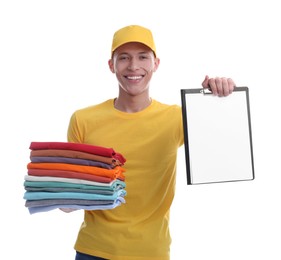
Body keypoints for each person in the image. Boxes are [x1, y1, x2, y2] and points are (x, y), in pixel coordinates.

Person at [61, 25, 235, 260]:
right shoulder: (83, 120)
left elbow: (224, 144)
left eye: (143, 57)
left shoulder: (176, 118)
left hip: (151, 252)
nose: (133, 66)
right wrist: (56, 192)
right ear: (111, 65)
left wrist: (216, 97)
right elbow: (69, 200)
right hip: (94, 250)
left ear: (156, 64)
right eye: (124, 58)